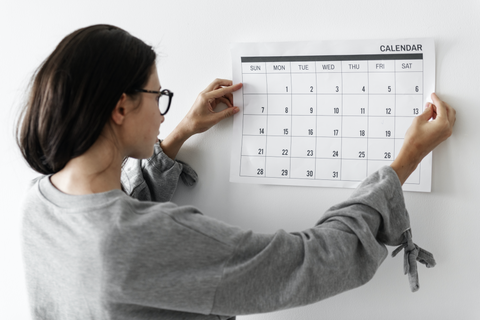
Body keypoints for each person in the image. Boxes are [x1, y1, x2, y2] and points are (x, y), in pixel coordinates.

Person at [17, 24, 456, 320]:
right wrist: (404, 164)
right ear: (120, 107)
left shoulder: (41, 203)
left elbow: (114, 219)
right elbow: (314, 261)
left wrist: (176, 137)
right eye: (158, 95)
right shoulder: (143, 239)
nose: (163, 112)